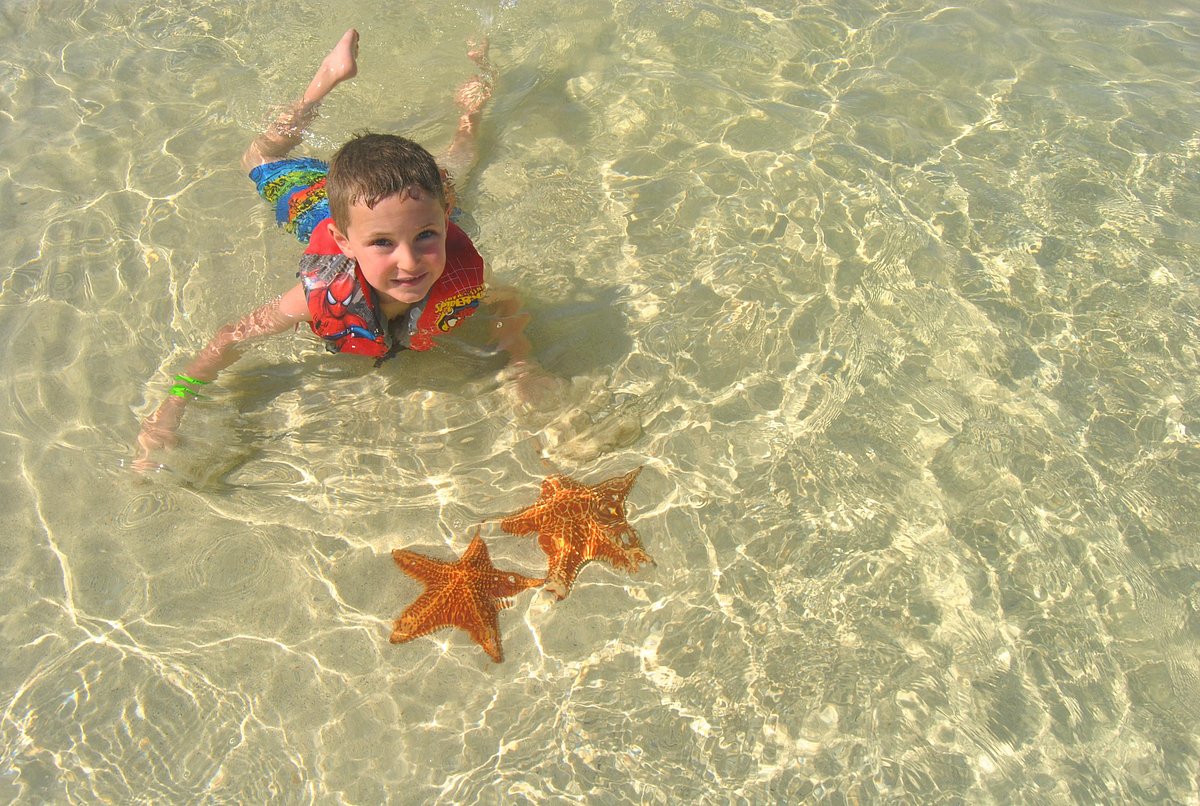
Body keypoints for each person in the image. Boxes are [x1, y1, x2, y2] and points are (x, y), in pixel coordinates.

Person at [136, 29, 551, 469]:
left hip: (412, 199)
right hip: (318, 207)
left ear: (445, 219)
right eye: (382, 243)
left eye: (426, 235)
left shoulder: (459, 265)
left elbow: (507, 300)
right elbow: (230, 337)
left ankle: (472, 107)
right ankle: (326, 78)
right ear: (343, 243)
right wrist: (173, 405)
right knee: (257, 157)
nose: (410, 261)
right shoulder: (316, 295)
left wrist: (523, 365)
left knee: (458, 159)